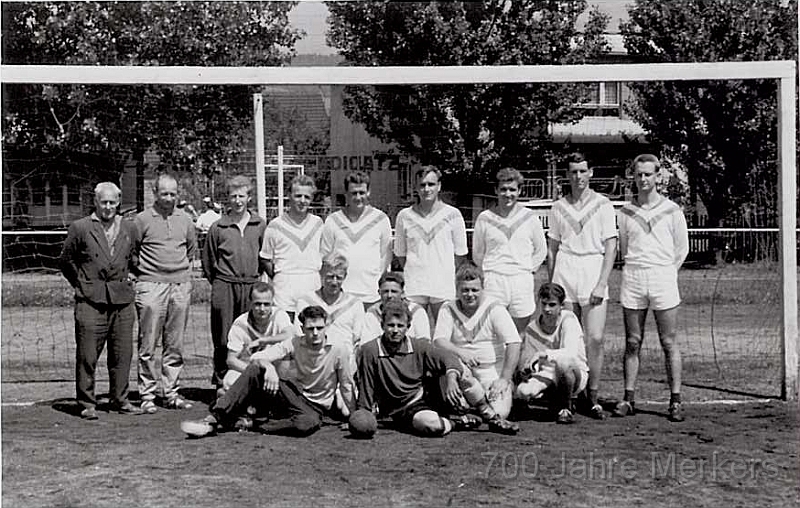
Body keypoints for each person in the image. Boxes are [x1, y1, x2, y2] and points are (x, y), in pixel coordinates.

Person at [180, 305, 356, 438]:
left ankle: (250, 423)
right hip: (293, 396)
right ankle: (213, 418)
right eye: (310, 329)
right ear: (302, 329)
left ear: (326, 327)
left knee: (306, 424)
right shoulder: (294, 342)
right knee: (256, 369)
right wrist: (269, 367)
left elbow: (347, 385)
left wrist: (352, 418)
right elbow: (256, 358)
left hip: (317, 408)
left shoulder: (339, 350)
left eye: (320, 328)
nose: (315, 333)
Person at [354, 298, 518, 437]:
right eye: (390, 325)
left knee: (462, 372)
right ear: (382, 325)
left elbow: (448, 357)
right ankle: (457, 422)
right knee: (431, 425)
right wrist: (362, 415)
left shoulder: (418, 346)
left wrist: (452, 378)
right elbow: (366, 385)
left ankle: (492, 417)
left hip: (429, 396)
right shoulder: (370, 350)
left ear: (408, 327)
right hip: (403, 408)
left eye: (400, 326)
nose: (395, 330)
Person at [613, 153, 689, 422]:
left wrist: (667, 272)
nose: (643, 179)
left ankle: (676, 400)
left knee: (669, 341)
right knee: (633, 341)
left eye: (648, 174)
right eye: (639, 174)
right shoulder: (624, 212)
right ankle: (628, 398)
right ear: (633, 177)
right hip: (633, 278)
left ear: (658, 177)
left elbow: (682, 249)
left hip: (663, 279)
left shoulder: (672, 210)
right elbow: (623, 246)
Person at [59, 182, 143, 419]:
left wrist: (132, 276)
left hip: (122, 300)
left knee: (122, 354)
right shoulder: (80, 227)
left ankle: (120, 399)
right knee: (87, 355)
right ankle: (87, 403)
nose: (108, 207)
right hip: (90, 300)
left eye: (112, 203)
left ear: (118, 203)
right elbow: (66, 261)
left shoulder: (129, 228)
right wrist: (82, 284)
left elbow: (134, 257)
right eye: (103, 202)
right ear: (95, 202)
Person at [546, 153, 617, 420]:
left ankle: (592, 396)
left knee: (594, 339)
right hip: (565, 269)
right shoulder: (558, 207)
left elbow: (611, 245)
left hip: (592, 269)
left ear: (591, 172)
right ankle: (568, 396)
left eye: (582, 171)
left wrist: (602, 282)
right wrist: (553, 285)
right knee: (569, 340)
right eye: (573, 171)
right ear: (567, 174)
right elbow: (552, 248)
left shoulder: (603, 204)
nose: (578, 176)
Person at [133, 172, 197, 413]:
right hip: (151, 284)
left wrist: (179, 275)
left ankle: (171, 392)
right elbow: (134, 250)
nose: (169, 198)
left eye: (173, 193)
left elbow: (190, 250)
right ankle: (147, 394)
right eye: (164, 193)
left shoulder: (186, 220)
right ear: (155, 193)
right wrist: (146, 275)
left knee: (175, 343)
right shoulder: (141, 220)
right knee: (148, 343)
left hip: (179, 284)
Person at [433, 262, 521, 431]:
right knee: (454, 399)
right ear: (457, 289)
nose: (469, 294)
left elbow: (514, 343)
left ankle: (474, 409)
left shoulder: (494, 308)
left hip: (490, 371)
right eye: (464, 290)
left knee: (500, 413)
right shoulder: (448, 307)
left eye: (474, 290)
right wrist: (460, 352)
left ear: (483, 288)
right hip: (462, 371)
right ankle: (474, 407)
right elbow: (439, 341)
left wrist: (504, 379)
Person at [201, 175, 268, 389]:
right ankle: (222, 380)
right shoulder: (218, 227)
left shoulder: (259, 224)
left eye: (242, 196)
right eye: (233, 196)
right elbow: (209, 261)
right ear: (227, 199)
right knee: (223, 335)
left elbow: (264, 256)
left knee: (251, 333)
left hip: (250, 286)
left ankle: (247, 380)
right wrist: (221, 282)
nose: (237, 200)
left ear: (249, 198)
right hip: (224, 284)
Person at [472, 167, 547, 334]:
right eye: (503, 189)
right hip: (494, 280)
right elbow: (477, 253)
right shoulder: (484, 218)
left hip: (521, 280)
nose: (508, 194)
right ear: (496, 190)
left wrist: (527, 269)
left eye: (512, 189)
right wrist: (490, 271)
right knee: (493, 333)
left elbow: (541, 251)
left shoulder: (530, 217)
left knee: (518, 334)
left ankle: (518, 361)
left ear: (519, 191)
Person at [394, 166, 468, 327]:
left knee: (444, 335)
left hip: (443, 286)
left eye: (431, 184)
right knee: (414, 334)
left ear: (439, 186)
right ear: (415, 187)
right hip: (414, 286)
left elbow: (460, 254)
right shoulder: (404, 216)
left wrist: (444, 270)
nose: (426, 189)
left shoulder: (453, 214)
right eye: (422, 185)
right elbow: (400, 254)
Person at [514, 283, 589, 424]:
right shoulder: (532, 327)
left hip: (574, 372)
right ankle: (552, 401)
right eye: (544, 304)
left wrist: (544, 354)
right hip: (547, 373)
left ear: (561, 305)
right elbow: (531, 360)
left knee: (563, 363)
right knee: (523, 392)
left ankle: (565, 408)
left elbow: (571, 353)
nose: (547, 309)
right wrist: (527, 369)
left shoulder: (569, 319)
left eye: (552, 305)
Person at [321, 171, 392, 307]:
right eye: (354, 193)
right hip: (341, 293)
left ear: (368, 192)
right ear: (346, 194)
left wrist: (377, 282)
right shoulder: (333, 220)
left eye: (362, 193)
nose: (358, 197)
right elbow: (325, 257)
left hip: (371, 294)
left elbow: (385, 257)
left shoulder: (381, 219)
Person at [260, 174, 323, 319]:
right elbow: (265, 258)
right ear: (289, 196)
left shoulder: (318, 224)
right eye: (298, 196)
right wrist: (280, 275)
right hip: (284, 291)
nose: (302, 201)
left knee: (312, 334)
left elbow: (325, 257)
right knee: (286, 335)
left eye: (307, 197)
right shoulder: (275, 225)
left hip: (312, 286)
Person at [221, 282, 293, 392]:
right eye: (257, 304)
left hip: (275, 364)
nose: (262, 309)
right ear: (250, 303)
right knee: (229, 382)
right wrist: (255, 373)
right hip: (250, 366)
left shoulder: (279, 315)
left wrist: (263, 340)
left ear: (272, 302)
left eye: (266, 304)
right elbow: (231, 360)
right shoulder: (240, 323)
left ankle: (282, 390)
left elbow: (290, 334)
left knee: (288, 352)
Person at [295, 254, 367, 364]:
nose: (334, 282)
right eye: (329, 276)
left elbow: (357, 338)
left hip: (345, 362)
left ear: (345, 276)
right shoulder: (305, 301)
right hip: (313, 362)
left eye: (338, 277)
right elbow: (299, 335)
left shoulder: (355, 304)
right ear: (321, 274)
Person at [363, 271, 431, 344]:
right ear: (379, 292)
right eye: (385, 291)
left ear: (402, 293)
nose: (389, 295)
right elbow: (366, 343)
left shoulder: (416, 312)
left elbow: (424, 341)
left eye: (394, 291)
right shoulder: (372, 313)